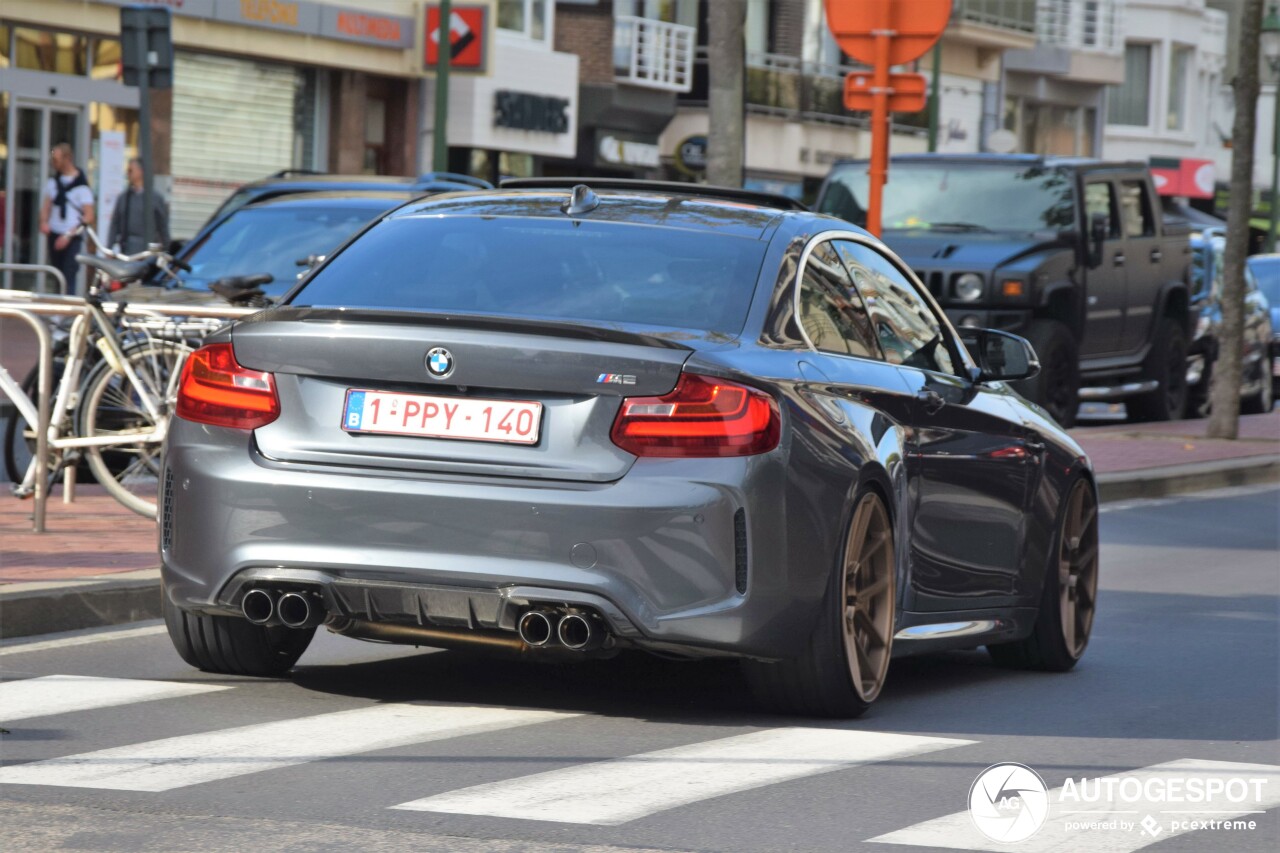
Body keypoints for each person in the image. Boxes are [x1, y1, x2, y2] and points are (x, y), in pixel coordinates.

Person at [39, 143, 95, 294]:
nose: (54, 163)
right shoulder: (53, 183)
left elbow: (89, 216)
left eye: (56, 160)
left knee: (69, 273)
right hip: (55, 234)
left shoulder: (81, 186)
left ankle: (67, 310)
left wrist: (68, 235)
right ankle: (58, 309)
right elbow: (46, 207)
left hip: (72, 237)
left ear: (67, 159)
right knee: (57, 274)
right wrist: (44, 222)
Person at [107, 157, 170, 257]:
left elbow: (163, 227)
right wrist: (109, 249)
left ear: (141, 171)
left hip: (148, 252)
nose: (128, 174)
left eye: (130, 170)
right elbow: (114, 224)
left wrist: (167, 250)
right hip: (127, 250)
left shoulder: (155, 198)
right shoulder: (124, 198)